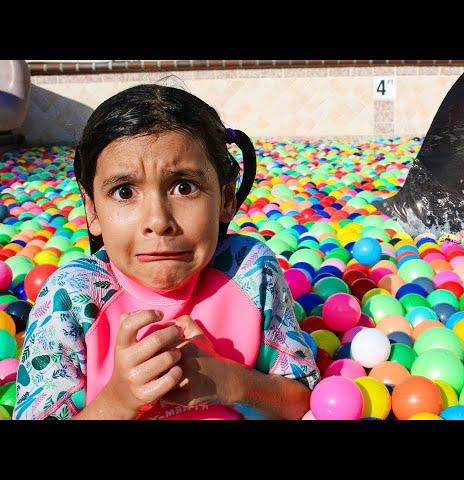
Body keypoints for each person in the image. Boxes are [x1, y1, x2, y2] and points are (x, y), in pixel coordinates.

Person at [13, 84, 319, 420]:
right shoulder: (70, 298)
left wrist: (230, 381)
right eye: (124, 191)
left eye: (184, 187)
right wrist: (117, 400)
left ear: (227, 198)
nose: (158, 221)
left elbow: (302, 402)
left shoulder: (249, 271)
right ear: (92, 211)